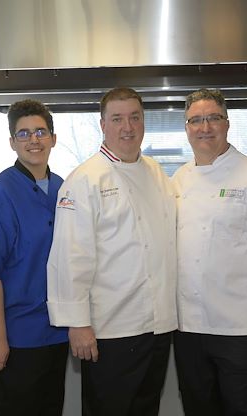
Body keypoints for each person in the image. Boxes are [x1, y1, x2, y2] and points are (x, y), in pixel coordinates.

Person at [46, 87, 177, 415]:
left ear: (144, 121)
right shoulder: (85, 180)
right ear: (103, 125)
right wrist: (77, 324)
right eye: (117, 119)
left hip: (157, 326)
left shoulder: (157, 173)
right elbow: (69, 257)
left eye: (135, 117)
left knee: (146, 408)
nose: (127, 127)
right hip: (110, 330)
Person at [172, 88, 247, 415]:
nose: (204, 127)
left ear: (227, 124)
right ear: (186, 128)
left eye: (213, 118)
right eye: (195, 120)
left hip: (242, 329)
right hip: (189, 329)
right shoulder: (179, 180)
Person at [0, 100, 68, 415]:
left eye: (40, 132)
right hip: (12, 336)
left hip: (54, 333)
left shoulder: (64, 189)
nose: (33, 140)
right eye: (23, 134)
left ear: (53, 137)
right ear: (12, 142)